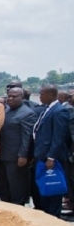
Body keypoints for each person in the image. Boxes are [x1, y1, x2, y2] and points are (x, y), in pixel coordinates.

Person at [33, 85, 70, 217]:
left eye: (42, 94)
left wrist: (51, 157)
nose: (40, 96)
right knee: (45, 189)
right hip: (41, 155)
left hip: (52, 158)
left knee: (53, 188)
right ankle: (47, 215)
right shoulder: (47, 109)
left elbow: (58, 137)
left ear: (50, 94)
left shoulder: (59, 111)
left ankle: (54, 217)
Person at [0, 87, 36, 206]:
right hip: (1, 155)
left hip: (16, 158)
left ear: (22, 98)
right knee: (4, 186)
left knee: (16, 187)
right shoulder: (6, 110)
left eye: (14, 96)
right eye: (9, 96)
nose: (10, 99)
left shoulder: (27, 113)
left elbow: (27, 138)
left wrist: (23, 155)